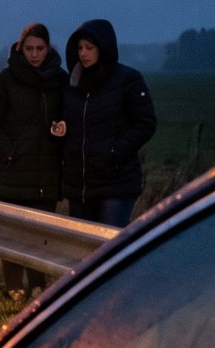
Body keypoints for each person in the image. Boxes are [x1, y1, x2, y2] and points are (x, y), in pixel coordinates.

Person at [0, 22, 67, 301]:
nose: (34, 54)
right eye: (29, 48)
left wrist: (62, 130)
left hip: (46, 172)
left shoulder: (60, 80)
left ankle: (38, 285)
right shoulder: (5, 80)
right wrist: (9, 151)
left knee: (40, 234)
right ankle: (14, 287)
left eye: (40, 48)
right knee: (11, 234)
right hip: (11, 170)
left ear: (48, 48)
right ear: (20, 48)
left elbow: (70, 116)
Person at [52, 18, 156, 228]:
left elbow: (146, 123)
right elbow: (66, 119)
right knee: (82, 251)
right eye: (80, 48)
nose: (83, 53)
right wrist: (59, 130)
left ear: (103, 48)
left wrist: (114, 152)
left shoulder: (128, 80)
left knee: (109, 248)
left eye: (89, 48)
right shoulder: (72, 83)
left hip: (115, 183)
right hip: (80, 186)